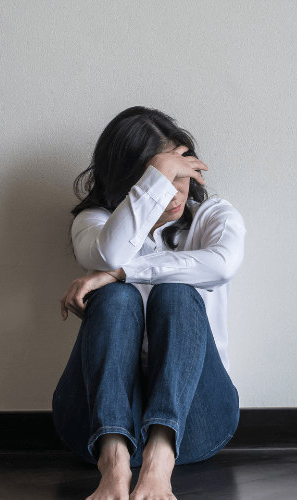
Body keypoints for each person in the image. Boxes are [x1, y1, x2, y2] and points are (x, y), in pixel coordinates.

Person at [53, 106, 246, 500]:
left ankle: (160, 463)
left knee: (175, 292)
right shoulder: (92, 223)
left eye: (181, 175)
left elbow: (222, 264)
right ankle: (114, 465)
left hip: (198, 420)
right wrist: (156, 176)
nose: (176, 192)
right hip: (92, 424)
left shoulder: (213, 217)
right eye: (161, 179)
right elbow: (108, 254)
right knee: (116, 298)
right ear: (132, 182)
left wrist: (123, 272)